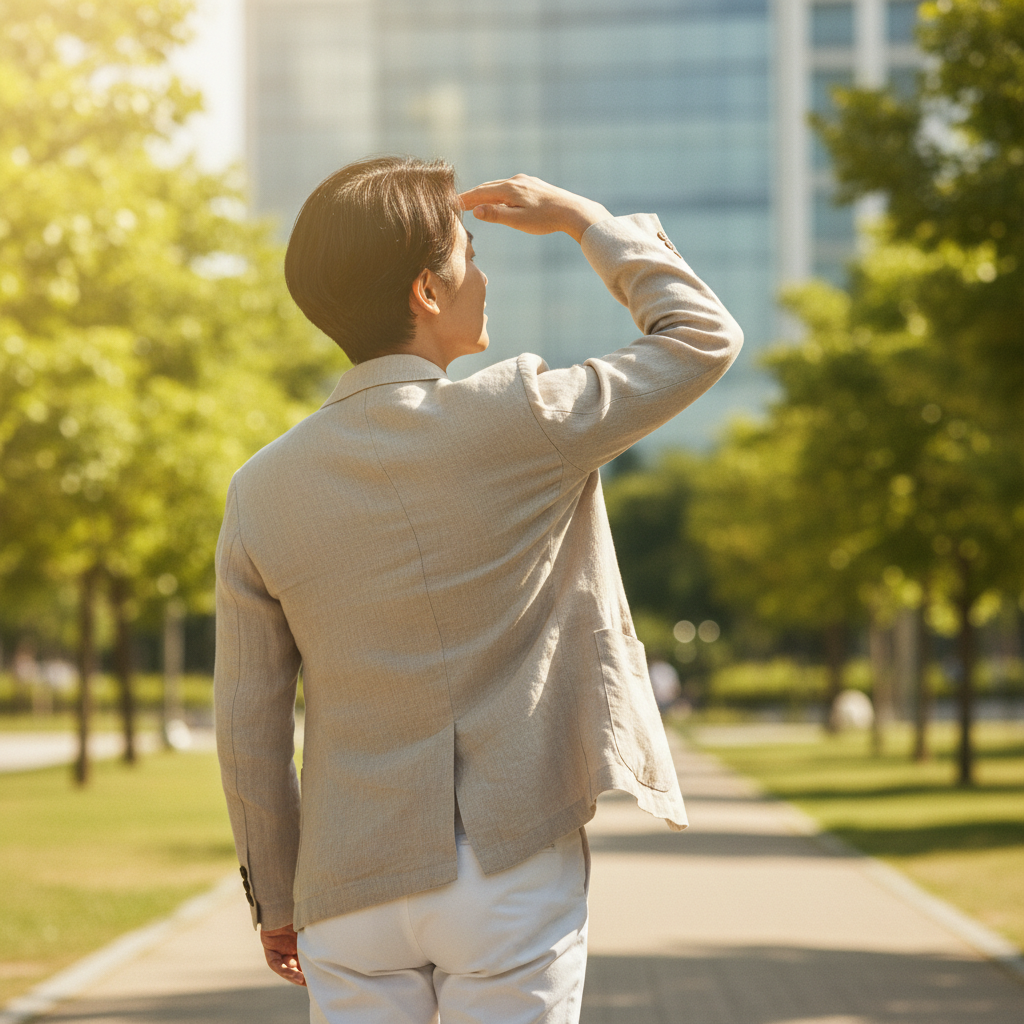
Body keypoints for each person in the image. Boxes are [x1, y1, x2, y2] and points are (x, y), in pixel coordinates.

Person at [214, 157, 743, 1023]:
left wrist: (276, 896)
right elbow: (701, 337)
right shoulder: (525, 415)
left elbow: (249, 723)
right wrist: (584, 219)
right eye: (468, 250)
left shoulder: (261, 488)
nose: (485, 273)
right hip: (509, 863)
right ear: (428, 289)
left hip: (348, 885)